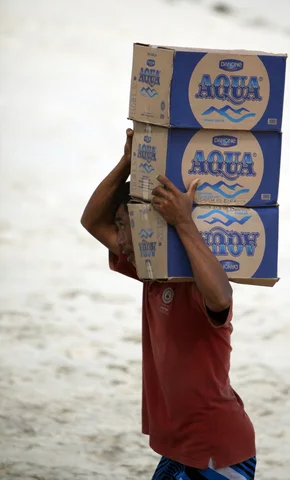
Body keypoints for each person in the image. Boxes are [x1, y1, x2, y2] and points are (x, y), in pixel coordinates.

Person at [81, 128, 257, 479]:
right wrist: (127, 163)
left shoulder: (193, 277)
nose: (119, 240)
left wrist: (182, 221)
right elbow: (92, 221)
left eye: (123, 226)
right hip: (180, 448)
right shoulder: (151, 271)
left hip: (216, 450)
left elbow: (222, 297)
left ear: (146, 226)